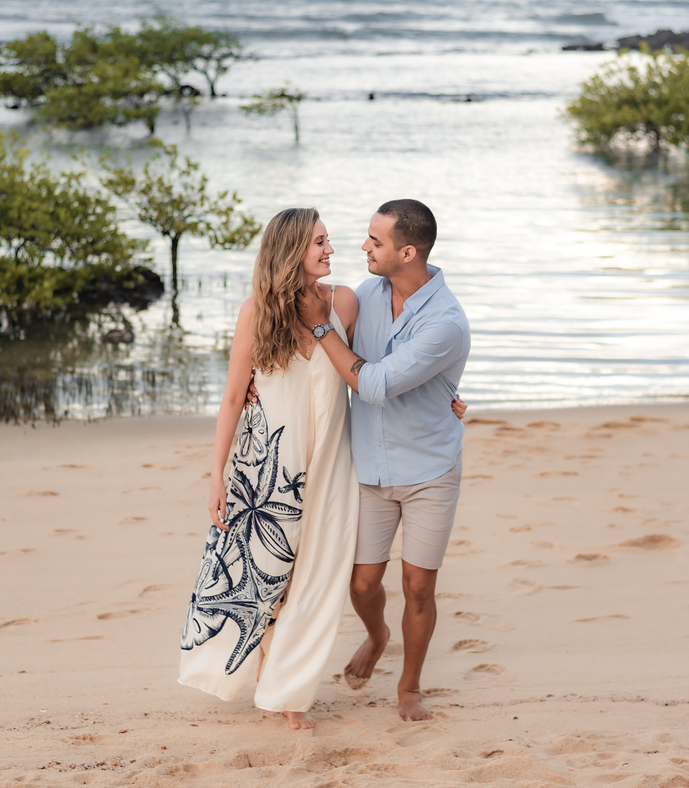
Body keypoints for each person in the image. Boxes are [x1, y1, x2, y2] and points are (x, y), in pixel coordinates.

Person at [178, 207, 360, 730]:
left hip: (330, 463)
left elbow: (375, 374)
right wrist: (216, 475)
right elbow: (234, 397)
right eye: (319, 243)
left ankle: (290, 692)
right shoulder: (257, 312)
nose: (330, 250)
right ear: (291, 250)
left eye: (329, 241)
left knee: (318, 576)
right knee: (261, 576)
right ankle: (257, 667)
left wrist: (443, 394)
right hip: (265, 467)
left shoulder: (343, 302)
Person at [299, 198, 470, 722]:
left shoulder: (446, 322)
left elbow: (372, 383)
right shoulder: (362, 297)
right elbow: (294, 307)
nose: (363, 247)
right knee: (363, 583)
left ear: (408, 251)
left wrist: (323, 329)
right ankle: (377, 634)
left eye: (375, 241)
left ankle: (409, 687)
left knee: (419, 586)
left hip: (429, 471)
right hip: (368, 466)